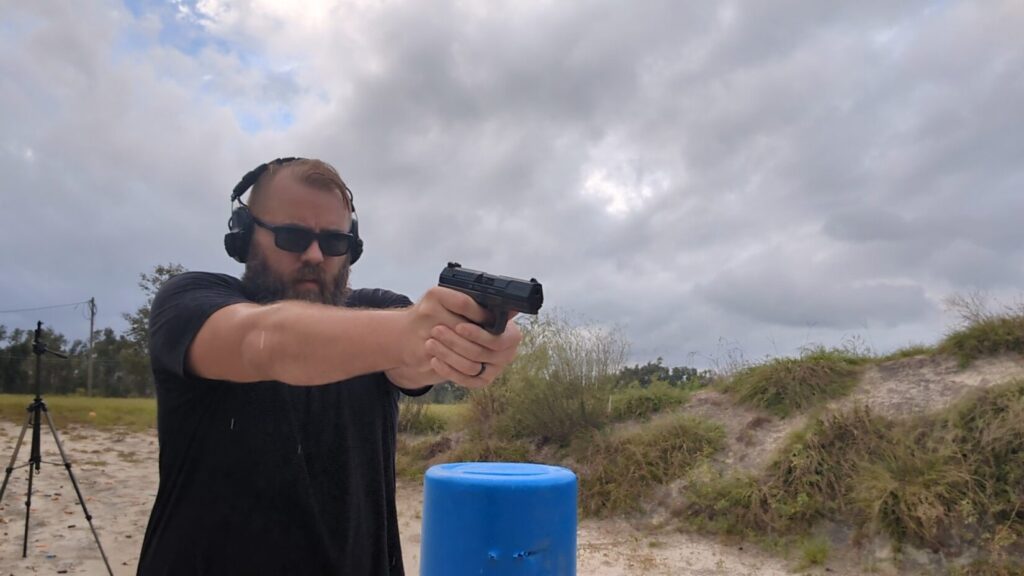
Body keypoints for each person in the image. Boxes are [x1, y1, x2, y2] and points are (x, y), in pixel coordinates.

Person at [135, 157, 523, 575]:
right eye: (292, 236)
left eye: (334, 242)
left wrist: (467, 346)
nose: (315, 255)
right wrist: (410, 334)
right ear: (244, 235)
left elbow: (414, 364)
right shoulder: (189, 300)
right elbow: (263, 342)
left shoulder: (378, 311)